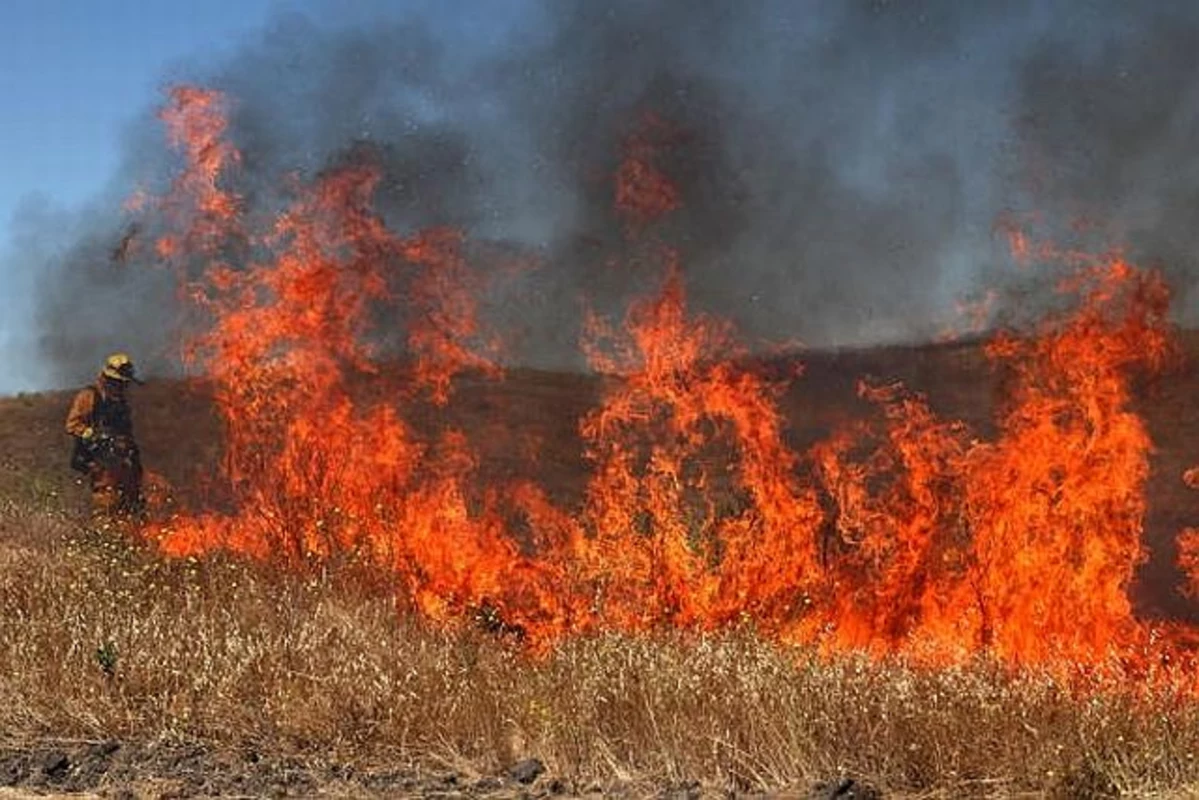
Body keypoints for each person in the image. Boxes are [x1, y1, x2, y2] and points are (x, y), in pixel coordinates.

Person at [65, 353, 145, 524]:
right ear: (108, 378)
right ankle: (103, 540)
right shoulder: (90, 395)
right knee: (106, 506)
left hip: (124, 462)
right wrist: (95, 435)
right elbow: (72, 424)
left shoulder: (119, 400)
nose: (122, 386)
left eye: (124, 383)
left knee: (132, 506)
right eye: (119, 382)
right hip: (102, 463)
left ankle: (130, 541)